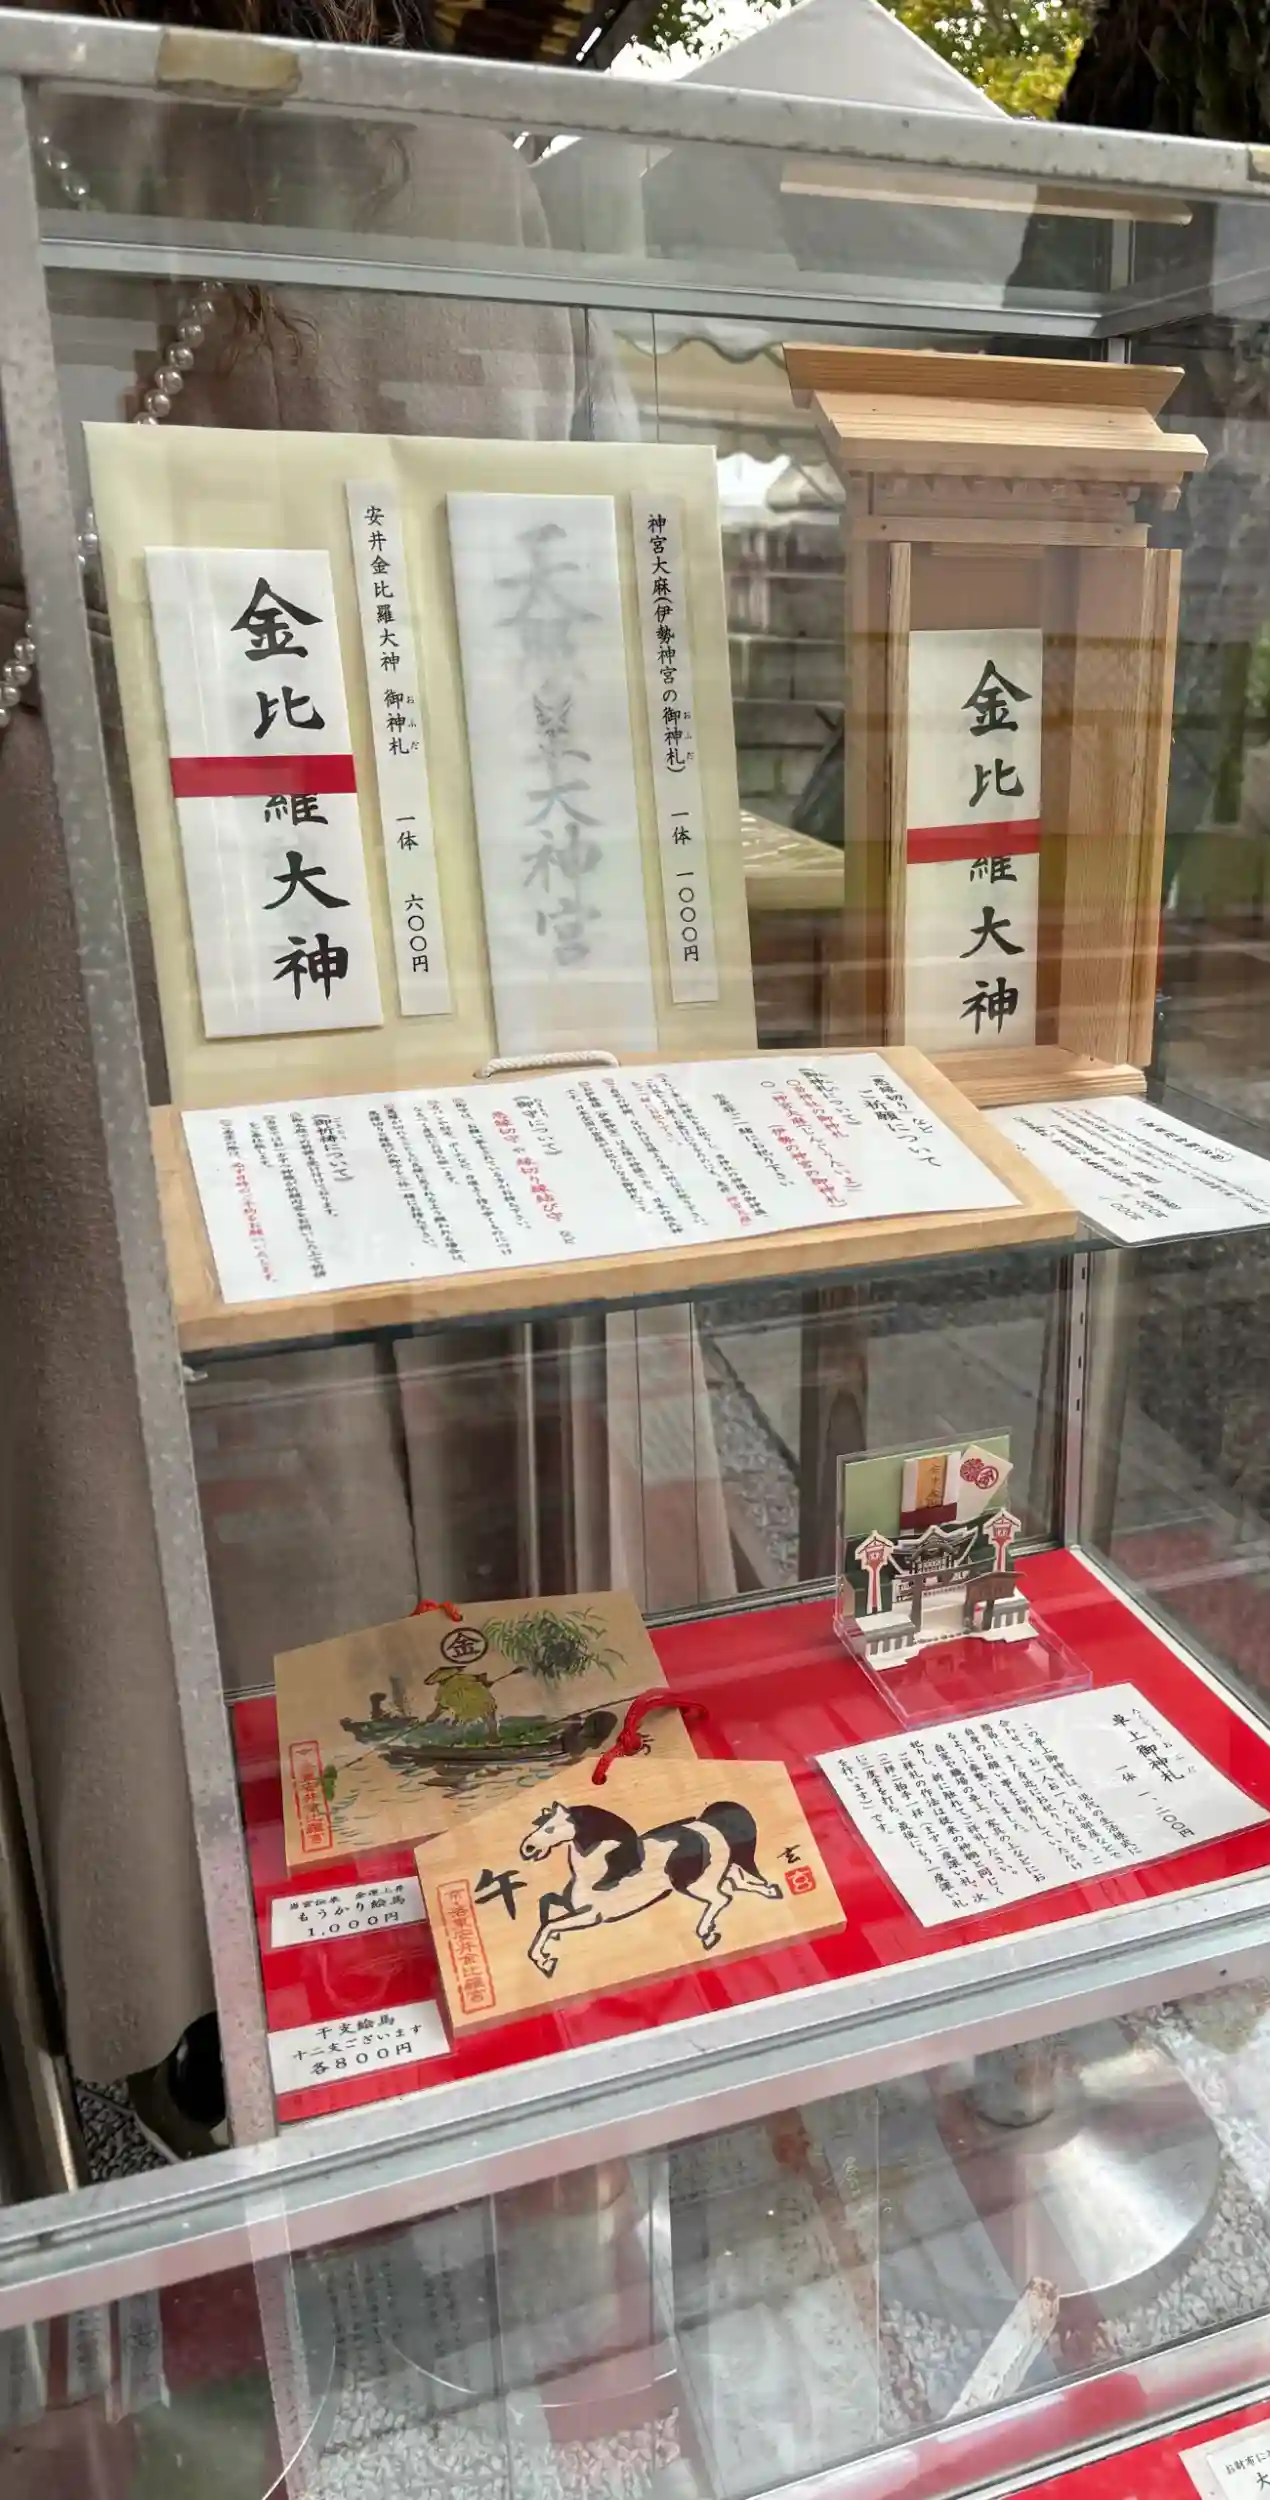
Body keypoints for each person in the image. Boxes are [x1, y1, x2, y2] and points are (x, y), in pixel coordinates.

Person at [0, 0, 648, 2158]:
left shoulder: (454, 165)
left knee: (340, 1373)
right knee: (201, 1387)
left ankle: (304, 1930)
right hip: (208, 856)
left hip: (331, 848)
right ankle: (279, 1932)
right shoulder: (450, 161)